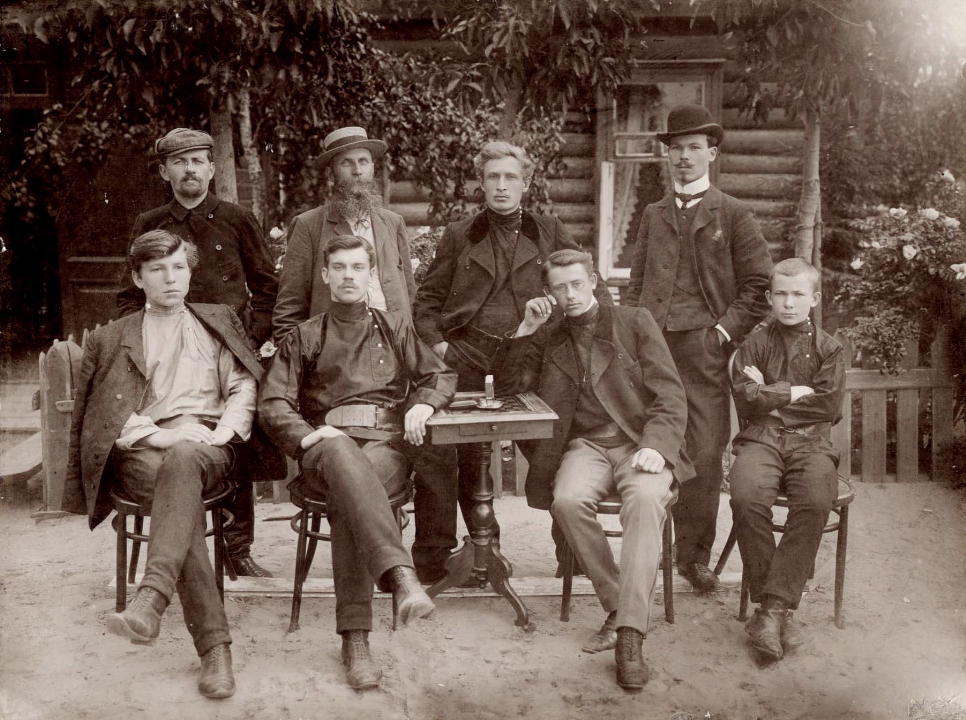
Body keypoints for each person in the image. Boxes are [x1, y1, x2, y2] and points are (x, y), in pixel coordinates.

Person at [64, 230, 284, 699]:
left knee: (183, 466)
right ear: (138, 278)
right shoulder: (112, 337)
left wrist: (224, 432)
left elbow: (243, 384)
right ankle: (214, 650)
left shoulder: (217, 319)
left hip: (207, 444)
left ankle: (153, 598)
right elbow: (102, 416)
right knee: (179, 497)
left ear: (189, 272)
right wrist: (161, 434)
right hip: (145, 448)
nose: (170, 278)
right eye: (157, 270)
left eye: (179, 267)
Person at [258, 234, 455, 691]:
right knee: (342, 455)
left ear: (371, 274)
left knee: (352, 492)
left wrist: (423, 404)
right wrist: (308, 436)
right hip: (324, 447)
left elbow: (440, 375)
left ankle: (356, 638)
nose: (349, 276)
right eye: (340, 268)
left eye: (358, 267)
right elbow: (273, 403)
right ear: (325, 275)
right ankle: (400, 578)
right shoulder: (305, 336)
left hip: (385, 445)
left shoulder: (394, 327)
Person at [492, 249, 693, 691]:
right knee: (566, 500)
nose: (570, 295)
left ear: (594, 281)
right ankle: (621, 607)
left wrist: (657, 446)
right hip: (585, 446)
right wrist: (525, 331)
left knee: (645, 500)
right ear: (549, 293)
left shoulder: (634, 322)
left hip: (639, 442)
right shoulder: (549, 336)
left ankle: (629, 636)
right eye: (559, 288)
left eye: (577, 284)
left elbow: (670, 395)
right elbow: (507, 391)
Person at [413, 141, 613, 569]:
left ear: (526, 182)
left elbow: (588, 287)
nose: (501, 186)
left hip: (531, 361)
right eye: (493, 177)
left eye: (510, 177)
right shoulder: (460, 234)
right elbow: (427, 302)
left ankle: (572, 554)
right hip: (468, 360)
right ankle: (473, 556)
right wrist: (442, 346)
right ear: (481, 184)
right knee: (462, 457)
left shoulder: (548, 230)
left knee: (552, 450)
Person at [116, 127, 280, 579]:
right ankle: (185, 553)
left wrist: (247, 340)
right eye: (179, 162)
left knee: (234, 439)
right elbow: (128, 297)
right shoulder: (150, 223)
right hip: (169, 355)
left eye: (197, 161)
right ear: (165, 172)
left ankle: (237, 547)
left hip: (228, 352)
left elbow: (268, 287)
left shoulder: (237, 218)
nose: (189, 170)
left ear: (211, 169)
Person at [626, 104, 773, 593]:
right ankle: (648, 550)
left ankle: (692, 556)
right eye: (676, 149)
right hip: (653, 346)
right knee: (648, 441)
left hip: (705, 348)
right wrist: (634, 331)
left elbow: (758, 285)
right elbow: (636, 282)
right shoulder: (653, 214)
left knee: (705, 450)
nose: (684, 157)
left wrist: (722, 334)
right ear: (667, 156)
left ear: (712, 154)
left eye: (694, 148)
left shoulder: (732, 213)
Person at [729, 258, 845, 661]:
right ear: (769, 297)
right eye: (781, 294)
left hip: (812, 443)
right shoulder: (755, 343)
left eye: (798, 294)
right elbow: (746, 396)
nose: (789, 303)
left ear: (815, 298)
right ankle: (778, 611)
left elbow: (827, 406)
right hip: (761, 438)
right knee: (746, 497)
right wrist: (795, 391)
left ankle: (770, 610)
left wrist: (771, 393)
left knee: (815, 500)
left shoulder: (829, 348)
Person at [272, 126, 416, 338]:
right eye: (347, 163)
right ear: (331, 174)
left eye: (363, 161)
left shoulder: (393, 222)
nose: (357, 170)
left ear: (372, 168)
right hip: (336, 348)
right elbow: (289, 307)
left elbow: (410, 295)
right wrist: (296, 354)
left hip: (394, 342)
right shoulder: (308, 225)